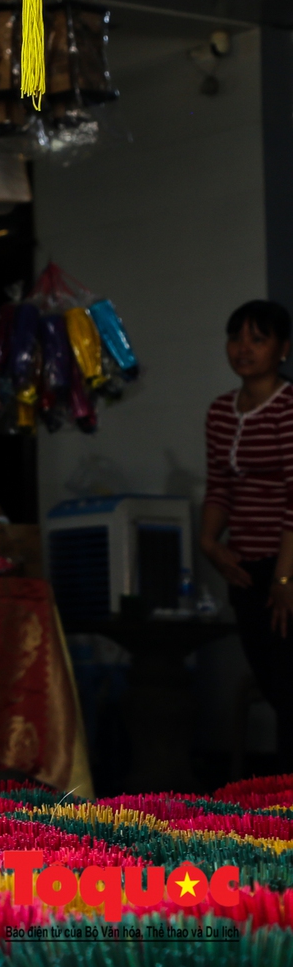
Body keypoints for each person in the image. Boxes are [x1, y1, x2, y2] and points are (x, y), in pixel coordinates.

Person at [201, 299, 293, 774]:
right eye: (236, 337)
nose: (244, 349)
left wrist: (283, 578)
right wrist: (210, 544)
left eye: (258, 339)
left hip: (287, 566)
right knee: (273, 681)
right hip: (243, 567)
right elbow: (219, 486)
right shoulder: (220, 412)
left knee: (287, 687)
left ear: (283, 350)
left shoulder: (287, 409)